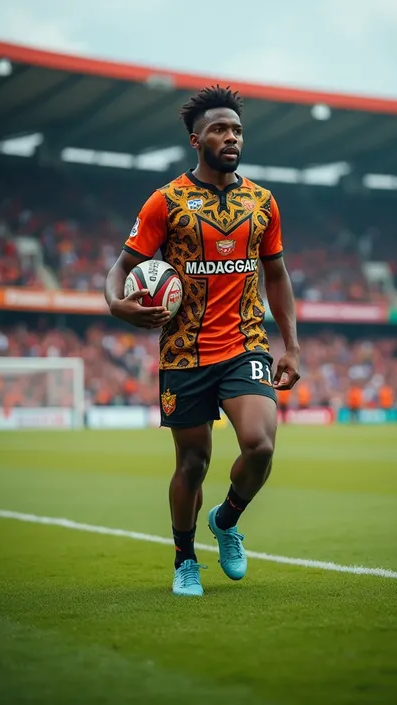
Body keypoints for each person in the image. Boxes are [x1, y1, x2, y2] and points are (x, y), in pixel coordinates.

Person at [105, 86, 300, 597]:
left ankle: (227, 519)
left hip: (245, 345)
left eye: (236, 130)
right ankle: (185, 559)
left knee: (259, 447)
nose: (231, 137)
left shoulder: (262, 202)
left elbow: (276, 277)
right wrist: (117, 303)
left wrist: (292, 346)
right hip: (184, 352)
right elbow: (121, 269)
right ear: (196, 139)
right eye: (219, 129)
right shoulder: (165, 202)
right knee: (192, 463)